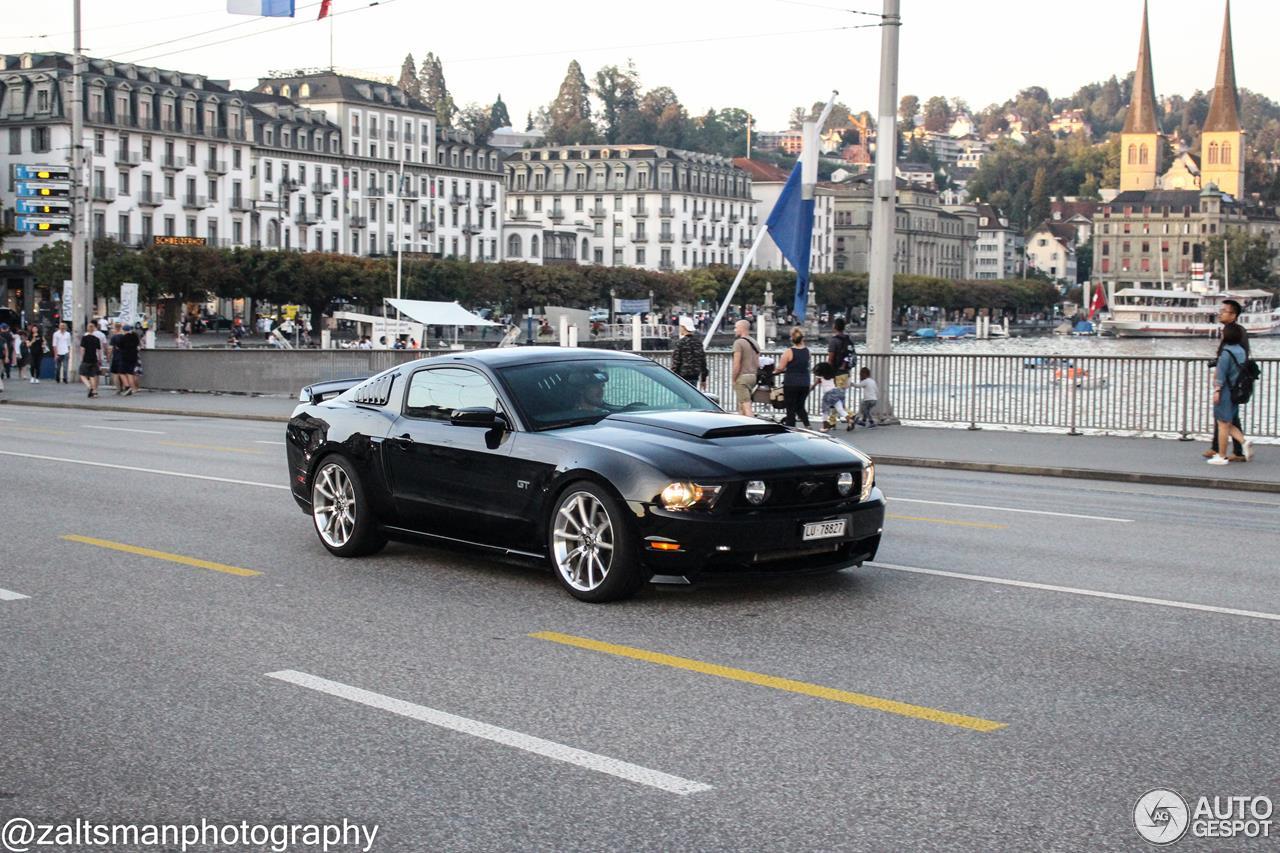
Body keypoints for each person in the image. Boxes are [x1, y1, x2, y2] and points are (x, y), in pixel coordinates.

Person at [1204, 299, 1249, 461]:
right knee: (1228, 417)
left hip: (1230, 383)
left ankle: (1226, 450)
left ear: (1233, 315)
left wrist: (1219, 383)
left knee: (1224, 417)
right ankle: (1233, 448)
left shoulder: (1235, 333)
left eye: (1224, 311)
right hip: (1233, 383)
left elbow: (1231, 357)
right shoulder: (1232, 331)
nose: (1221, 313)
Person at [774, 327, 812, 428]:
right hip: (804, 383)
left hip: (791, 383)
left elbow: (781, 368)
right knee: (800, 406)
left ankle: (791, 428)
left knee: (790, 408)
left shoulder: (789, 352)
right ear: (802, 338)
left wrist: (774, 371)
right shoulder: (807, 351)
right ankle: (807, 425)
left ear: (792, 338)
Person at [826, 317, 856, 428]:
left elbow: (830, 359)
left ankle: (851, 415)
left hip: (837, 373)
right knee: (838, 397)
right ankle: (832, 421)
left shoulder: (834, 341)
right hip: (846, 372)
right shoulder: (848, 339)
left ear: (835, 326)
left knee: (835, 398)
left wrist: (827, 372)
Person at [730, 319, 759, 417]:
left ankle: (752, 426)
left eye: (736, 327)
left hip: (742, 378)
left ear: (742, 328)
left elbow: (736, 363)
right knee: (742, 404)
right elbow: (757, 363)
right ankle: (742, 425)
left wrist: (733, 379)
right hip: (753, 376)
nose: (735, 330)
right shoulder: (755, 343)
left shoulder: (738, 343)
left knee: (746, 405)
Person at [670, 316, 708, 389]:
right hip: (695, 376)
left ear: (684, 327)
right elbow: (703, 362)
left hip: (682, 377)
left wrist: (672, 376)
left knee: (682, 398)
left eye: (680, 327)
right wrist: (703, 379)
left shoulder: (680, 343)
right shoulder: (698, 343)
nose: (680, 328)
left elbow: (676, 362)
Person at [813, 362, 849, 432]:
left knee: (825, 411)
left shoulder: (821, 377)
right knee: (840, 409)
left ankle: (825, 427)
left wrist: (811, 388)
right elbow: (835, 384)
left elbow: (815, 384)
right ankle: (849, 420)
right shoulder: (833, 376)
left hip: (827, 394)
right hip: (835, 392)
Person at [116, 324, 141, 395]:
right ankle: (133, 388)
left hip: (125, 357)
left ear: (124, 330)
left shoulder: (123, 338)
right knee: (130, 373)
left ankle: (127, 386)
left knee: (121, 372)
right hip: (134, 357)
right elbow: (138, 345)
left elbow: (118, 347)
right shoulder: (135, 337)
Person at [78, 326, 102, 397]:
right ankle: (94, 392)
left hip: (86, 359)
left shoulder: (84, 338)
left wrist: (82, 358)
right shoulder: (96, 339)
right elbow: (99, 351)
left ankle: (89, 386)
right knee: (92, 375)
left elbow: (82, 349)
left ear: (87, 330)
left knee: (82, 374)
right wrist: (99, 359)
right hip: (94, 359)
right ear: (94, 330)